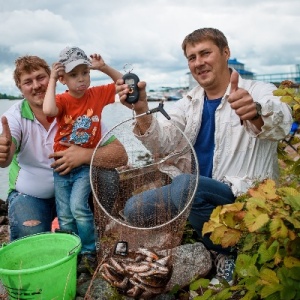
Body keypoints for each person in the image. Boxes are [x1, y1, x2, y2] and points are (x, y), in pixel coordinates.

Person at [116, 27, 293, 288]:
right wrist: (142, 109)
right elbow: (162, 143)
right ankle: (199, 227)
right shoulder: (189, 101)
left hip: (241, 196)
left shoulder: (258, 90)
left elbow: (281, 121)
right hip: (195, 190)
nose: (198, 62)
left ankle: (228, 251)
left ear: (225, 52)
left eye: (205, 53)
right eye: (191, 57)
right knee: (134, 208)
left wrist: (255, 111)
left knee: (186, 186)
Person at [0, 55, 127, 273]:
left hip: (76, 185)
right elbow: (7, 153)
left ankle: (98, 239)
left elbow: (120, 156)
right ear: (20, 89)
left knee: (107, 175)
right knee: (34, 249)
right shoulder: (14, 117)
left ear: (53, 79)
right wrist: (3, 151)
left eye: (41, 78)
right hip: (31, 196)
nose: (37, 85)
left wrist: (84, 155)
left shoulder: (77, 108)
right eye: (28, 82)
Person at [42, 46, 124, 269]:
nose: (81, 79)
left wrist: (104, 67)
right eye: (73, 75)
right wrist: (51, 78)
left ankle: (89, 250)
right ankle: (71, 250)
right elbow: (48, 110)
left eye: (85, 73)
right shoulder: (62, 99)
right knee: (65, 214)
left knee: (79, 206)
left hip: (83, 166)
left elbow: (124, 84)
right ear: (63, 79)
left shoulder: (96, 94)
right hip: (61, 165)